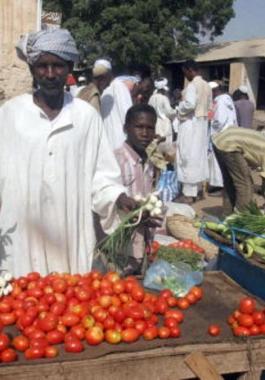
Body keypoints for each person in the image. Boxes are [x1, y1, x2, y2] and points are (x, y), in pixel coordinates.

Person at [0, 28, 135, 277]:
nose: (50, 74)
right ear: (32, 69)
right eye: (42, 66)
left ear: (69, 68)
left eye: (58, 66)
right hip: (22, 232)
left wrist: (118, 198)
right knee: (20, 303)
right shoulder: (10, 114)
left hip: (70, 231)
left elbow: (102, 175)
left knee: (68, 302)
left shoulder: (86, 116)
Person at [114, 104, 157, 273]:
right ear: (126, 128)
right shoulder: (117, 160)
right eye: (139, 127)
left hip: (142, 245)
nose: (145, 134)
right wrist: (135, 214)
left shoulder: (149, 162)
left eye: (150, 128)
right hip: (120, 249)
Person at [176, 60, 212, 204]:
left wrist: (179, 107)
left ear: (190, 70)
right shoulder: (206, 86)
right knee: (198, 157)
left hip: (191, 124)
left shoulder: (192, 85)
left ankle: (188, 194)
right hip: (202, 124)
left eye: (185, 72)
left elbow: (190, 104)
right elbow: (209, 106)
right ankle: (198, 190)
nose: (185, 75)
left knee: (187, 157)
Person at [212, 127, 265, 216]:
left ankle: (227, 216)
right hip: (230, 145)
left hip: (220, 140)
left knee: (230, 182)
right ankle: (240, 219)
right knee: (245, 185)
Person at [208, 81, 237, 190]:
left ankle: (219, 186)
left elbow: (219, 120)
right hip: (228, 134)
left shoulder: (220, 101)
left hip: (220, 135)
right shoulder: (227, 100)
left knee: (218, 161)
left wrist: (211, 127)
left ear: (214, 91)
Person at [101, 74, 140, 150]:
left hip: (108, 140)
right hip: (121, 138)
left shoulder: (106, 90)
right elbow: (127, 114)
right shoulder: (121, 87)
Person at [148, 77, 176, 152]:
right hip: (164, 123)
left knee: (155, 144)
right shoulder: (164, 98)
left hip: (154, 123)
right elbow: (169, 112)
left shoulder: (151, 98)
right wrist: (176, 111)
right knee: (166, 145)